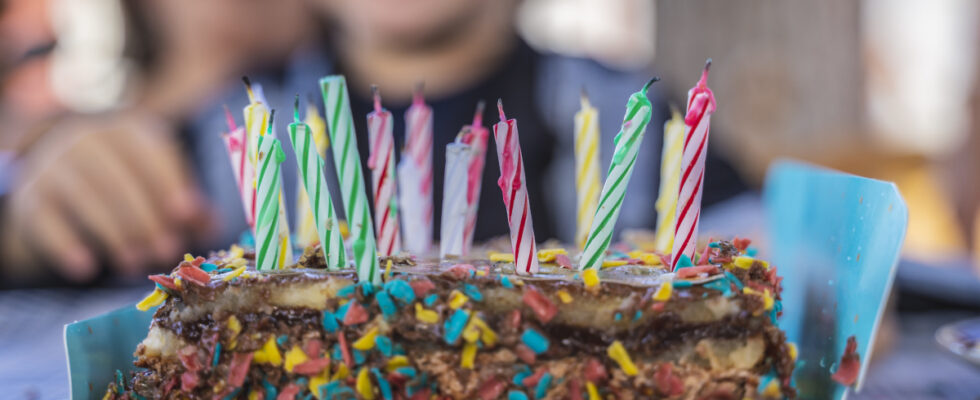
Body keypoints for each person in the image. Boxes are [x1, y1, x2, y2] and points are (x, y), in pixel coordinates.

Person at [0, 0, 748, 286]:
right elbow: (51, 236)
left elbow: (770, 254)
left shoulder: (638, 120)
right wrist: (40, 198)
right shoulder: (232, 133)